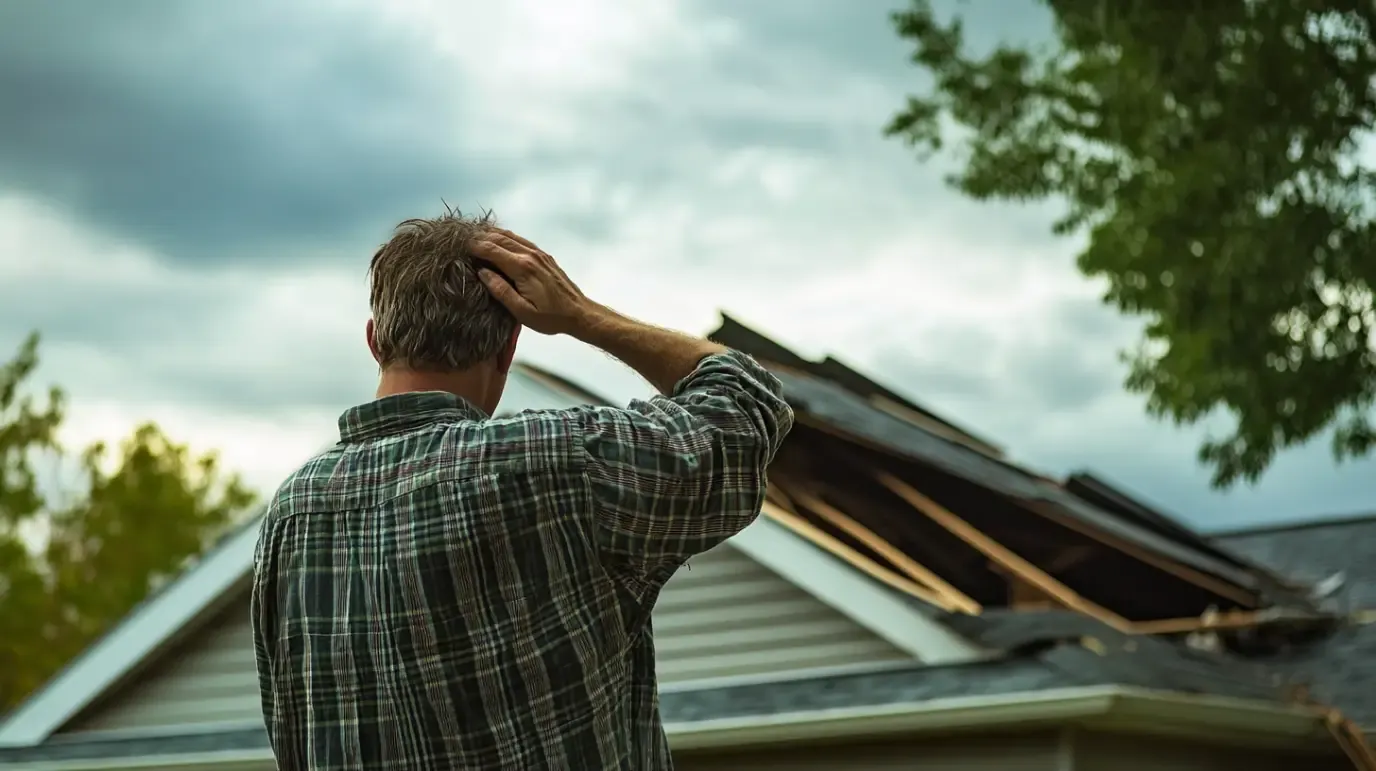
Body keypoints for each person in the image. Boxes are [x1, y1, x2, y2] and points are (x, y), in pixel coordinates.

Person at [250, 210, 794, 770]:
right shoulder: (555, 461)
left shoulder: (294, 511)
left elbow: (290, 734)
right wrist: (582, 316)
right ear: (509, 347)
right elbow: (747, 402)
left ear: (373, 341)